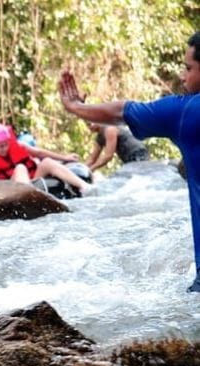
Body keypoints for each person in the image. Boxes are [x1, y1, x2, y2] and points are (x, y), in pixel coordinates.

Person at [60, 31, 200, 292]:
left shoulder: (186, 112)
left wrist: (76, 107)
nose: (182, 76)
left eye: (188, 68)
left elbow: (122, 111)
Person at [0, 123, 92, 195]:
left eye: (6, 144)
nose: (5, 148)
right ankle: (28, 196)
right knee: (20, 168)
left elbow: (40, 153)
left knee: (46, 162)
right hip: (10, 190)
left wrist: (65, 158)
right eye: (1, 146)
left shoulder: (19, 146)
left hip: (32, 182)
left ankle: (84, 186)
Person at [83, 120, 151, 172]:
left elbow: (108, 156)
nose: (90, 126)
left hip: (138, 154)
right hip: (127, 159)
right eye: (87, 125)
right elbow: (92, 159)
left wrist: (91, 169)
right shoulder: (99, 138)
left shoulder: (109, 129)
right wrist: (81, 168)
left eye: (90, 123)